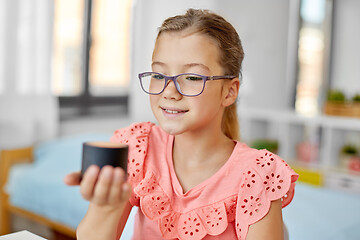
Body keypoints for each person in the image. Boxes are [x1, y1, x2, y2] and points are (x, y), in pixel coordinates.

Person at [64, 8, 298, 240]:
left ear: (229, 91)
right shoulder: (139, 148)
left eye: (192, 77)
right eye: (158, 75)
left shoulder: (259, 174)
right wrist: (105, 208)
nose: (169, 92)